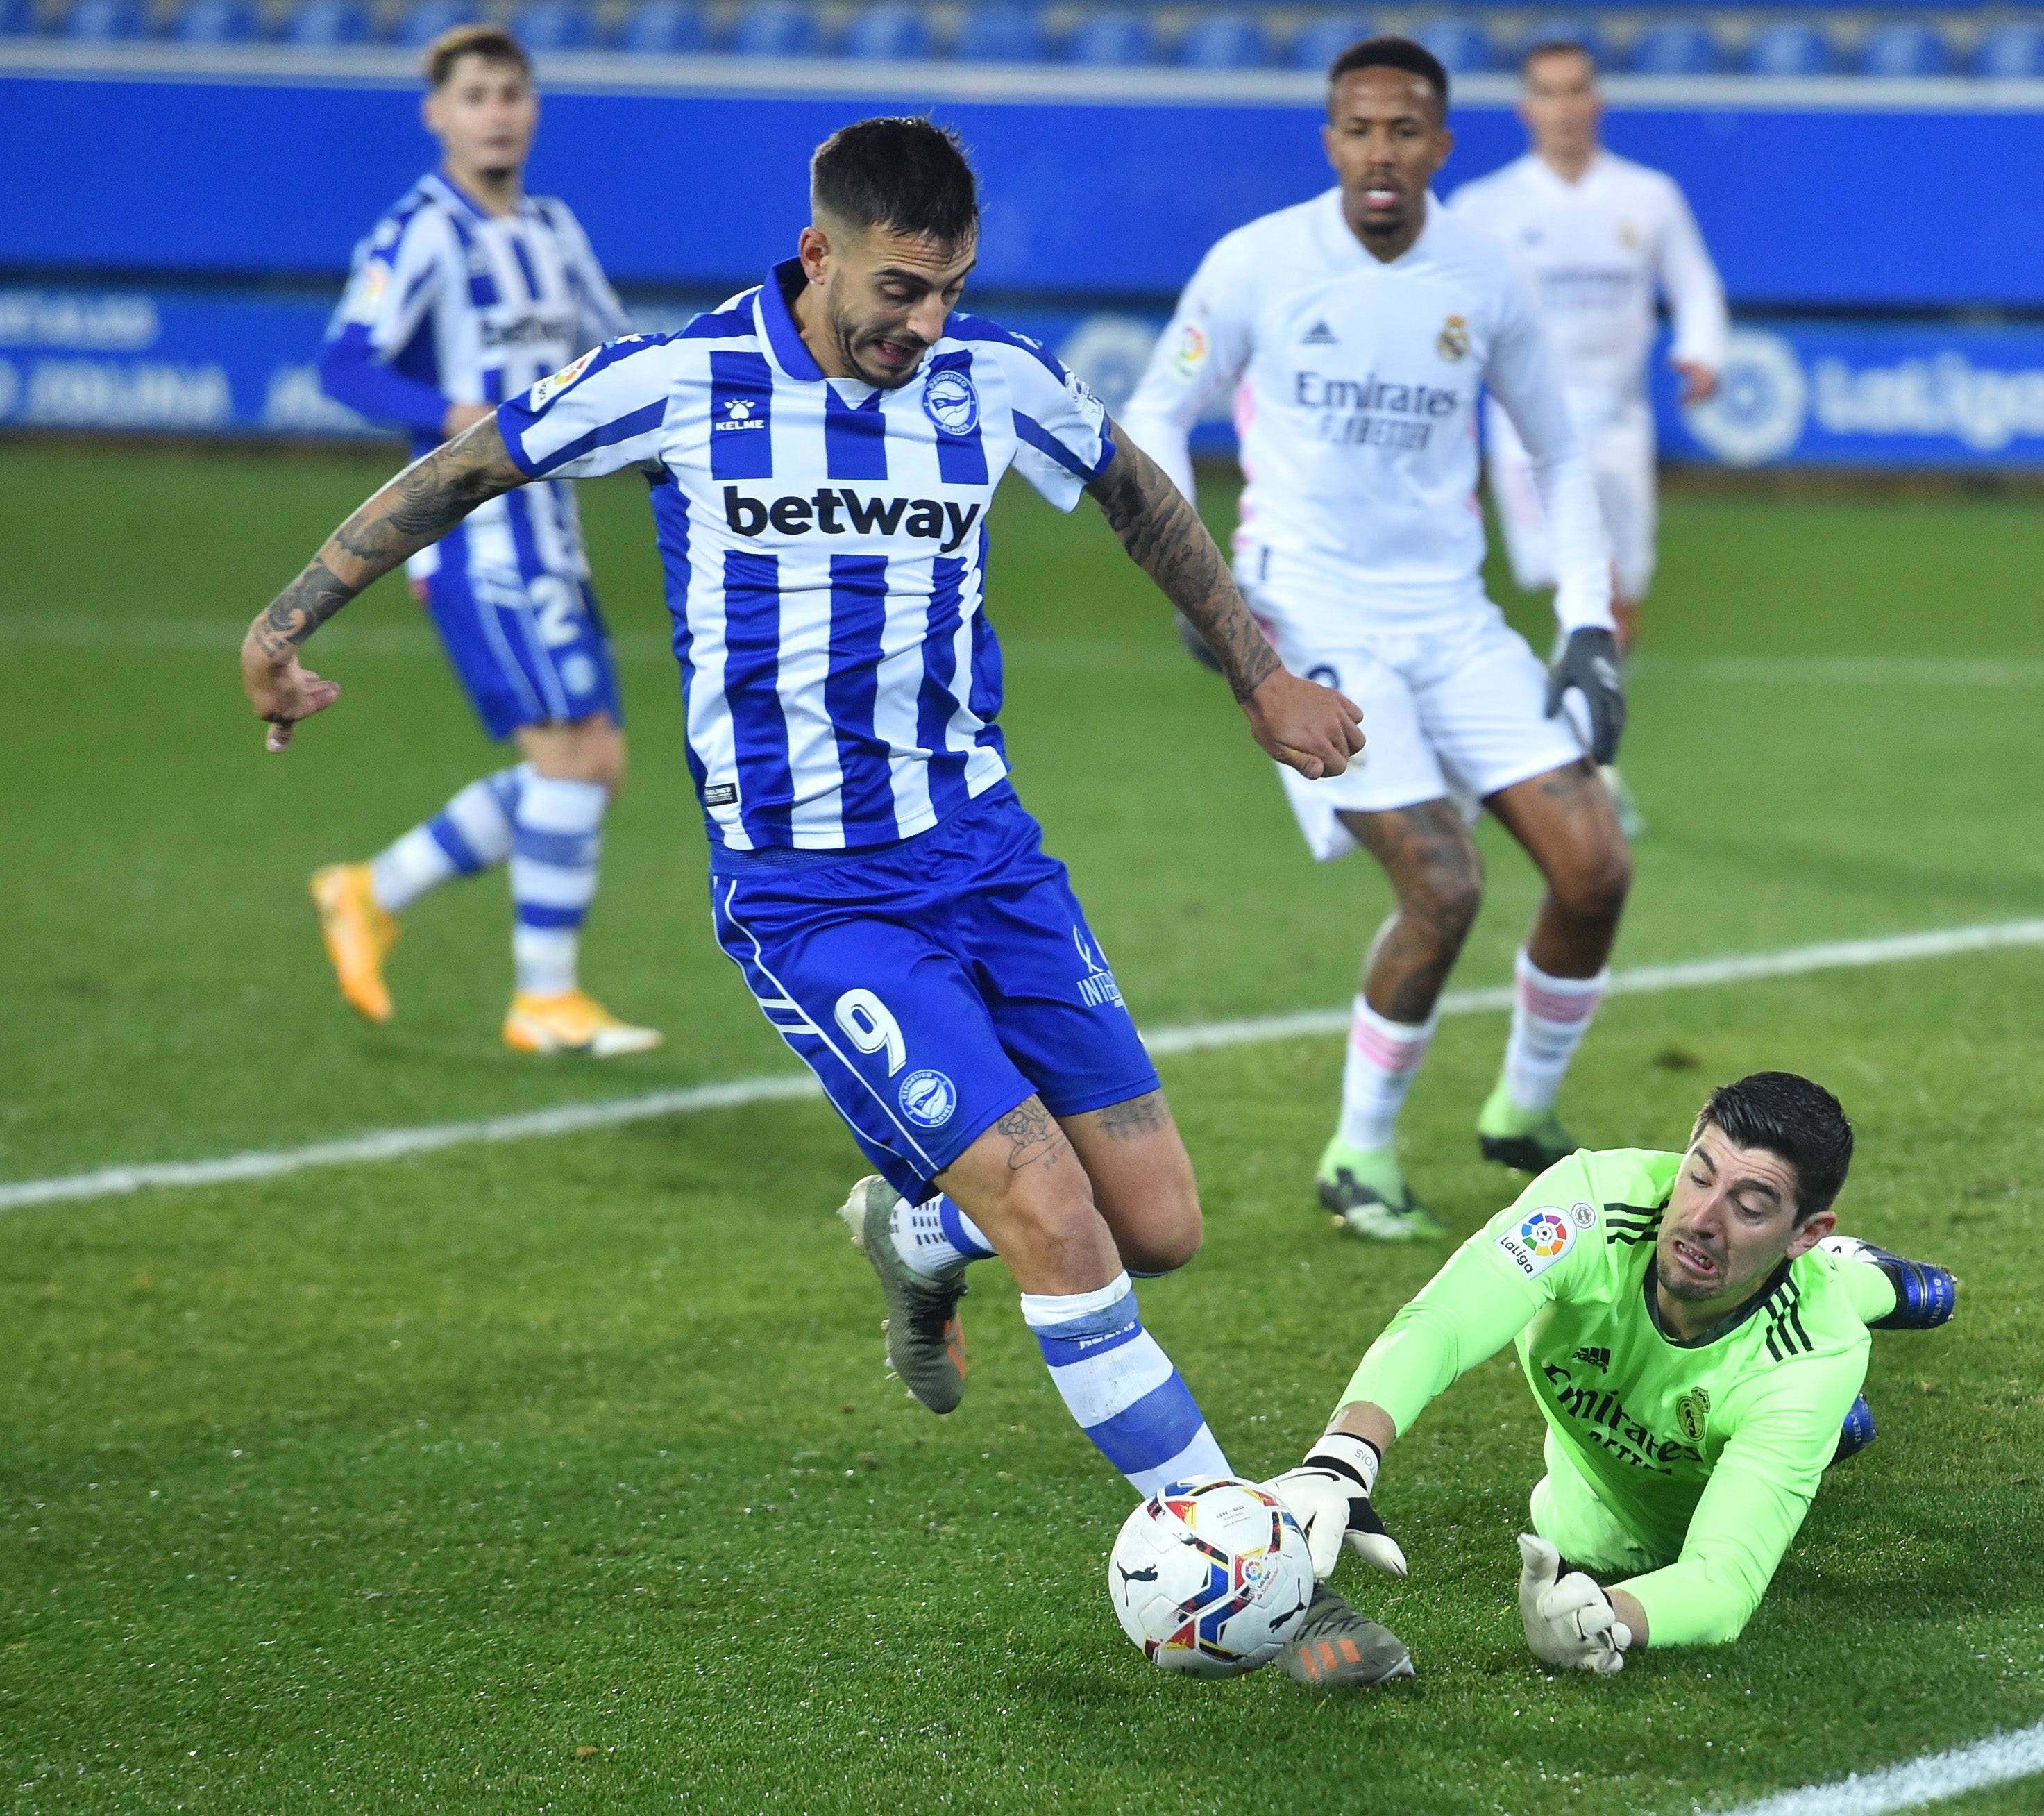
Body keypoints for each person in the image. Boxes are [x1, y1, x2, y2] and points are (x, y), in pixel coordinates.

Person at [237, 117, 1364, 1534]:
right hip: (814, 896)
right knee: (1062, 1227)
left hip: (991, 857)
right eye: (900, 289)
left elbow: (1136, 491)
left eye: (950, 287)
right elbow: (466, 469)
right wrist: (283, 628)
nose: (927, 320)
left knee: (1160, 1227)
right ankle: (1235, 1551)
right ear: (817, 254)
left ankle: (912, 1228)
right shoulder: (680, 381)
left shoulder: (989, 378)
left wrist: (1260, 675)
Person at [1122, 37, 1635, 1243]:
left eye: (1404, 130)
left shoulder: (1486, 274)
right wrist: (1216, 605)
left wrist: (1582, 623)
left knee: (1594, 868)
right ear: (1329, 143)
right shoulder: (1256, 262)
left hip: (1452, 619)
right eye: (1357, 129)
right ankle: (1357, 1152)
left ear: (1440, 147)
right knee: (1443, 882)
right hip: (1309, 616)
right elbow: (1154, 415)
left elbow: (1557, 454)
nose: (1379, 153)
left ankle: (1520, 1112)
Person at [1270, 1073, 1957, 1679]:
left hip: (1779, 1349)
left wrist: (1609, 1615)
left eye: (1749, 1207)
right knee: (1600, 1522)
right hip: (1609, 1480)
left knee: (1820, 1332)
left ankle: (1861, 1277)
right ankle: (1844, 1329)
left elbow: (1722, 1582)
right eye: (1697, 1175)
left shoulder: (1813, 1354)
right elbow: (1441, 1322)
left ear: (1802, 1229)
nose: (1701, 1219)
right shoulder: (1589, 1206)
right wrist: (1342, 1457)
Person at [309, 25, 656, 1055]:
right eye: (474, 95)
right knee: (570, 758)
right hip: (476, 538)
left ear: (533, 106)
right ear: (438, 114)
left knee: (591, 765)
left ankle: (373, 889)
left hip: (554, 527)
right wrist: (450, 403)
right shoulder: (420, 230)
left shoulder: (553, 228)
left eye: (511, 92)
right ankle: (542, 999)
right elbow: (345, 365)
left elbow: (615, 348)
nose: (496, 111)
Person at [1448, 39, 1728, 656]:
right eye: (1548, 93)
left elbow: (1695, 284)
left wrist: (1703, 351)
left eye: (1576, 90)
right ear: (1526, 107)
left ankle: (1591, 735)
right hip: (1528, 425)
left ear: (1598, 101)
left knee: (1620, 592)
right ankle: (1571, 741)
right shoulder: (1483, 207)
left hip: (1619, 420)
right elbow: (1441, 307)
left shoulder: (1648, 197)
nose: (1564, 108)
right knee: (1584, 578)